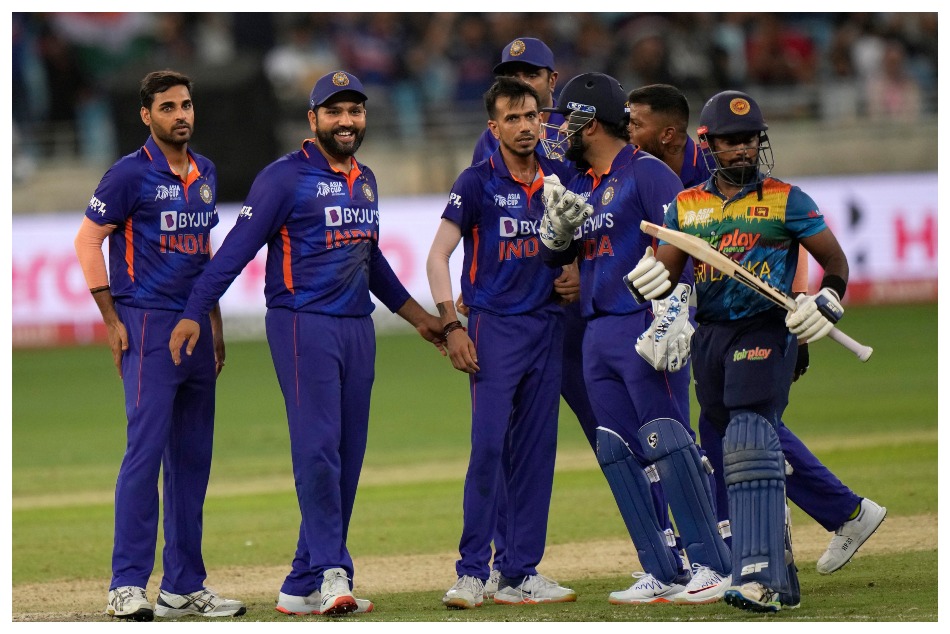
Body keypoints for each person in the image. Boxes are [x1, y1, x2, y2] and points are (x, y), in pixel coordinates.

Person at [167, 70, 446, 617]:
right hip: (302, 324)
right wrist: (194, 312)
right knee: (318, 450)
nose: (346, 121)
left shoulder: (365, 179)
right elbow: (236, 250)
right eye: (334, 112)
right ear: (313, 119)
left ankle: (300, 584)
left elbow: (370, 259)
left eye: (355, 111)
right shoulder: (283, 177)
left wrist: (419, 318)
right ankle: (333, 570)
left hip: (357, 326)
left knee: (348, 455)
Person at [624, 89, 879, 612]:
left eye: (749, 139)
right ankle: (826, 531)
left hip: (767, 328)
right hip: (712, 334)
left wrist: (827, 299)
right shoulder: (686, 205)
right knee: (723, 438)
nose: (742, 149)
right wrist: (647, 283)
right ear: (709, 144)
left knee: (748, 432)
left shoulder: (787, 199)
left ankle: (759, 573)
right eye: (731, 141)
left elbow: (834, 262)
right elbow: (668, 271)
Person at [538, 72, 731, 605]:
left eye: (566, 121)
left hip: (645, 325)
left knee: (668, 442)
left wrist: (675, 312)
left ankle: (712, 564)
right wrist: (555, 234)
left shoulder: (647, 172)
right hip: (596, 328)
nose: (558, 132)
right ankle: (660, 569)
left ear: (590, 123)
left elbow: (687, 241)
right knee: (617, 451)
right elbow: (558, 257)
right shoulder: (581, 184)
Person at [74, 70, 245, 621]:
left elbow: (203, 253)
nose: (181, 115)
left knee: (192, 460)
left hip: (193, 326)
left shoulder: (205, 171)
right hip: (146, 323)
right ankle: (126, 584)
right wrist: (110, 318)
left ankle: (183, 586)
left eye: (186, 105)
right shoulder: (129, 174)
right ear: (146, 115)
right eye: (168, 107)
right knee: (145, 455)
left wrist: (213, 322)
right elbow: (87, 241)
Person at [429, 76, 578, 610]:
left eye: (530, 116)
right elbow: (437, 255)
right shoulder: (476, 182)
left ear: (541, 120)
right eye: (511, 118)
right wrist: (452, 326)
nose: (523, 126)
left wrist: (575, 272)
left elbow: (579, 245)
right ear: (494, 128)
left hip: (546, 327)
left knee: (536, 454)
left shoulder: (559, 178)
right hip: (492, 329)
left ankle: (520, 572)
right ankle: (473, 572)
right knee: (489, 449)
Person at [466, 36, 599, 601]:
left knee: (610, 430)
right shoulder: (491, 144)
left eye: (532, 74)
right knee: (504, 444)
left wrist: (580, 271)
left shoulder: (581, 132)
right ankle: (507, 564)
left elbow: (601, 209)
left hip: (576, 315)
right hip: (518, 316)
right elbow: (487, 226)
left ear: (553, 80)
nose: (523, 83)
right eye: (512, 74)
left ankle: (667, 547)